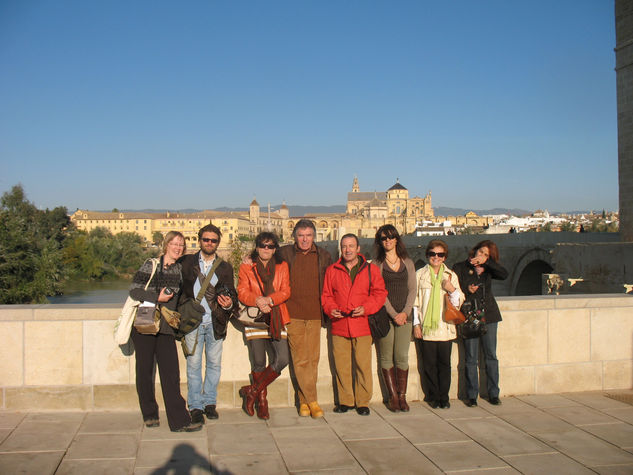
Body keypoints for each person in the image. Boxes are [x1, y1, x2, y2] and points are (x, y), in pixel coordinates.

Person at [129, 231, 201, 432]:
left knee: (171, 373)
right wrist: (155, 297)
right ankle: (150, 414)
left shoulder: (180, 268)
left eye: (181, 245)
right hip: (145, 321)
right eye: (174, 244)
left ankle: (179, 420)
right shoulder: (150, 264)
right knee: (144, 371)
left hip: (167, 327)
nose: (178, 248)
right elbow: (134, 290)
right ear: (166, 245)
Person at [321, 233, 387, 416]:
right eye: (344, 246)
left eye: (351, 246)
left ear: (358, 249)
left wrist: (366, 308)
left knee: (363, 365)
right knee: (341, 365)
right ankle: (346, 400)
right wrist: (331, 308)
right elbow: (326, 295)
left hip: (362, 324)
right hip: (340, 324)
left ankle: (363, 402)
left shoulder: (370, 270)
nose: (347, 250)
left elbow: (380, 294)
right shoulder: (332, 270)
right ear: (340, 249)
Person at [179, 224, 237, 425]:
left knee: (214, 365)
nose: (209, 243)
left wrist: (229, 303)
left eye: (213, 240)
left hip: (215, 322)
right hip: (193, 323)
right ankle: (195, 406)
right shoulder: (186, 262)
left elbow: (232, 294)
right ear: (200, 240)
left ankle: (210, 403)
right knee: (193, 366)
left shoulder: (225, 267)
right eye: (206, 239)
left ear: (218, 243)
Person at [278, 219, 332, 418]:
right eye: (301, 235)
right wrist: (250, 257)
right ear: (294, 236)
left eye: (308, 235)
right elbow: (263, 257)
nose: (305, 239)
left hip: (316, 314)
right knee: (300, 360)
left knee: (313, 360)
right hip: (294, 314)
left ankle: (303, 402)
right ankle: (313, 401)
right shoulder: (284, 253)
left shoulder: (324, 255)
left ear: (314, 236)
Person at [237, 232, 291, 419]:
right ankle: (262, 402)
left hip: (276, 317)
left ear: (275, 248)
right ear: (257, 246)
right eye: (262, 245)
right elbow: (242, 292)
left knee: (283, 358)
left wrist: (270, 299)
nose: (266, 249)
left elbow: (286, 291)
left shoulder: (282, 266)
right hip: (256, 318)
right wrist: (257, 300)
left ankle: (251, 391)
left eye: (270, 246)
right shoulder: (247, 266)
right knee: (259, 362)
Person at [453, 240, 508, 407]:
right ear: (474, 250)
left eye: (486, 255)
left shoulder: (489, 269)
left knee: (491, 355)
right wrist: (466, 289)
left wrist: (488, 263)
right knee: (471, 357)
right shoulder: (461, 267)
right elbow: (454, 287)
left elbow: (504, 274)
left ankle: (493, 393)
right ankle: (471, 395)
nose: (482, 256)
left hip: (489, 315)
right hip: (470, 316)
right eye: (481, 252)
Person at [413, 240, 464, 409]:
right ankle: (434, 396)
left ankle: (444, 397)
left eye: (440, 254)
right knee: (429, 364)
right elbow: (415, 302)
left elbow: (458, 302)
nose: (436, 257)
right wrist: (416, 324)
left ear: (444, 257)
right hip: (427, 327)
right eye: (433, 254)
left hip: (445, 326)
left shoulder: (450, 276)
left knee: (444, 364)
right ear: (428, 255)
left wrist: (451, 289)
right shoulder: (420, 274)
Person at [372, 225, 416, 412]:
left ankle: (402, 396)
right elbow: (379, 292)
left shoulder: (408, 262)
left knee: (401, 357)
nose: (387, 240)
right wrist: (393, 314)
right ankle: (393, 397)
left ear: (397, 239)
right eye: (383, 238)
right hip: (386, 317)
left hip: (405, 316)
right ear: (380, 242)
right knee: (386, 358)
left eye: (391, 237)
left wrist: (405, 312)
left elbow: (412, 289)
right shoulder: (376, 264)